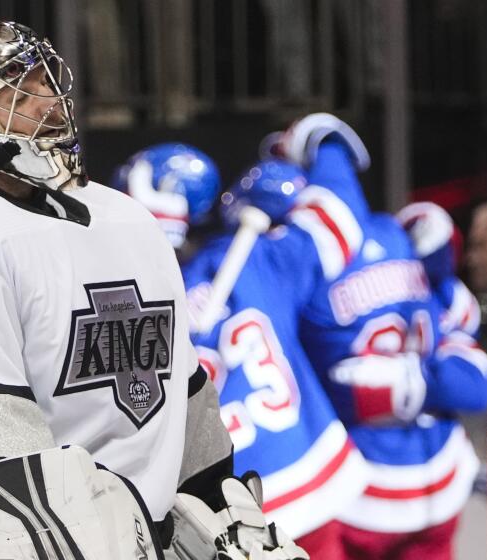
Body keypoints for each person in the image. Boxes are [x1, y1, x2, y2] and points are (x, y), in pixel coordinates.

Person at [0, 18, 307, 560]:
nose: (47, 97)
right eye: (16, 87)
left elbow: (180, 396)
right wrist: (60, 528)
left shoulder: (126, 219)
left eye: (45, 78)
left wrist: (220, 512)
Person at [116, 144, 370, 559]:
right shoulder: (252, 257)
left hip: (221, 502)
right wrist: (323, 143)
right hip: (307, 468)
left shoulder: (127, 300)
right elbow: (338, 224)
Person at [270, 113, 487, 559]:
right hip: (412, 472)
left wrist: (405, 383)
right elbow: (470, 377)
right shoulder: (399, 233)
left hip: (364, 478)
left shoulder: (294, 264)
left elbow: (473, 377)